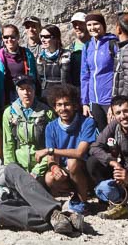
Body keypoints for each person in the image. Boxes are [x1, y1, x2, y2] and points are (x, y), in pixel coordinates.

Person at [41, 84, 96, 215]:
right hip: (67, 171)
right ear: (54, 107)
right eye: (59, 105)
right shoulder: (51, 127)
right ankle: (75, 195)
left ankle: (83, 201)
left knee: (73, 162)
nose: (63, 108)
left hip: (85, 171)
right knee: (49, 178)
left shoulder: (87, 123)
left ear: (75, 106)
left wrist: (49, 150)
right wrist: (54, 167)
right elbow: (51, 159)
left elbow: (79, 153)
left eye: (67, 104)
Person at [2, 75, 56, 177]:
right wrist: (12, 169)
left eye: (29, 89)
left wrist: (37, 171)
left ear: (34, 90)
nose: (26, 93)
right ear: (17, 91)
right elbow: (8, 144)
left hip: (41, 166)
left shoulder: (46, 112)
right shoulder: (9, 113)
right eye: (22, 89)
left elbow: (52, 146)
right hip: (19, 166)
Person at [0, 23, 37, 116]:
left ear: (18, 37)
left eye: (12, 37)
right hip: (5, 99)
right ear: (2, 38)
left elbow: (33, 76)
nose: (9, 40)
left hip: (24, 96)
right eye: (6, 37)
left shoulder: (27, 54)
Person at [80, 12, 118, 129]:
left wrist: (115, 102)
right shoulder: (87, 47)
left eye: (96, 24)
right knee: (102, 136)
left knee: (116, 134)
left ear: (103, 25)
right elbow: (85, 75)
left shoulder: (113, 44)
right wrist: (85, 102)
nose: (92, 28)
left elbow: (120, 74)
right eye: (89, 25)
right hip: (94, 101)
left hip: (109, 100)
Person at [36, 25, 76, 93]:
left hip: (63, 97)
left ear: (56, 38)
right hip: (45, 98)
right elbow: (39, 81)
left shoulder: (68, 56)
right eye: (41, 36)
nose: (42, 40)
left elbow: (74, 80)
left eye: (46, 37)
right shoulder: (40, 58)